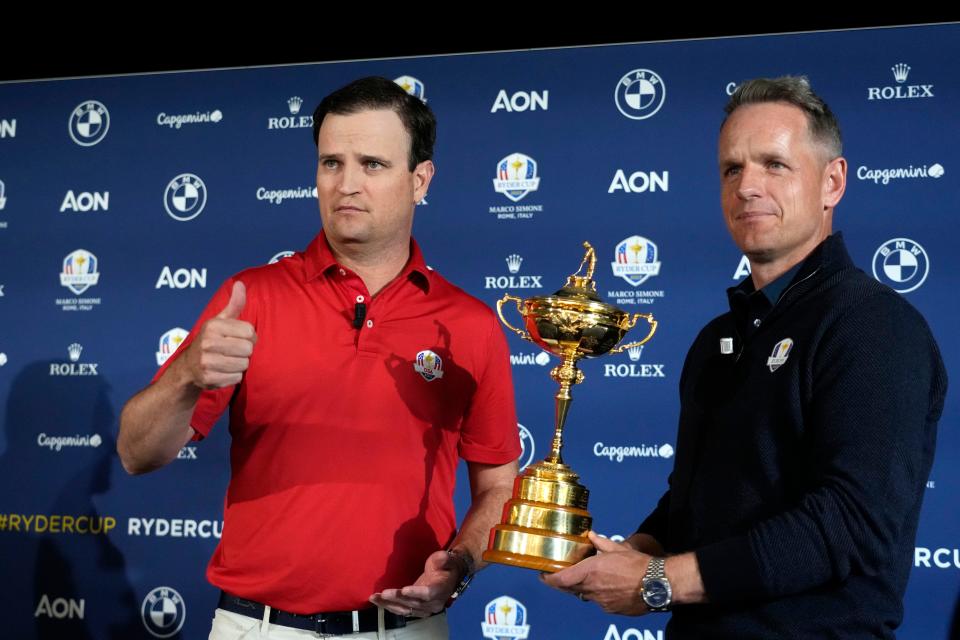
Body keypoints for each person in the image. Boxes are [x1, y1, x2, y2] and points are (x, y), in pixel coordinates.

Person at [542, 76, 947, 639]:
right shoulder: (716, 340)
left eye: (774, 165)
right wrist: (631, 553)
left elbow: (851, 523)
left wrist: (659, 580)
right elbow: (700, 504)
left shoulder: (875, 327)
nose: (748, 187)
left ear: (832, 182)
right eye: (732, 169)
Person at [118, 76, 520, 640]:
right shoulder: (250, 297)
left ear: (420, 180)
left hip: (406, 630)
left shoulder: (470, 325)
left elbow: (499, 487)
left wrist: (462, 564)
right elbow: (137, 454)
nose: (347, 184)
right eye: (331, 163)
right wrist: (185, 376)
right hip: (257, 627)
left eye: (373, 164)